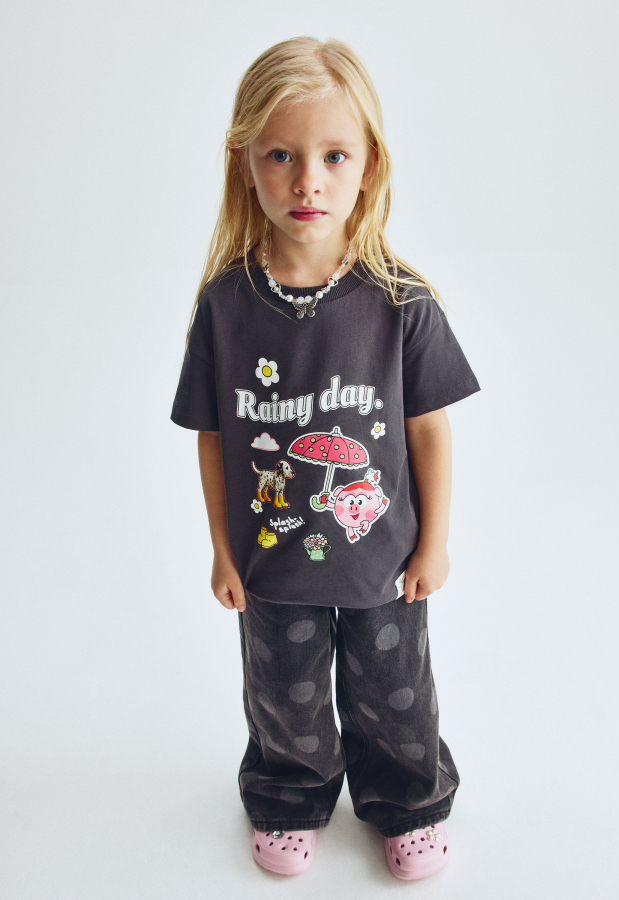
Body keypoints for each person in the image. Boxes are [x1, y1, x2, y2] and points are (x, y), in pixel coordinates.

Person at [170, 36, 481, 881]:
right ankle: (288, 797)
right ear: (243, 163)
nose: (307, 180)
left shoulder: (401, 302)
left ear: (368, 165)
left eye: (333, 156)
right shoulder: (225, 307)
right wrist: (222, 549)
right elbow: (213, 436)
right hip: (272, 562)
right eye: (281, 155)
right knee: (285, 696)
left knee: (395, 692)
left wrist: (433, 542)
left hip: (382, 561)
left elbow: (427, 429)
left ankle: (408, 803)